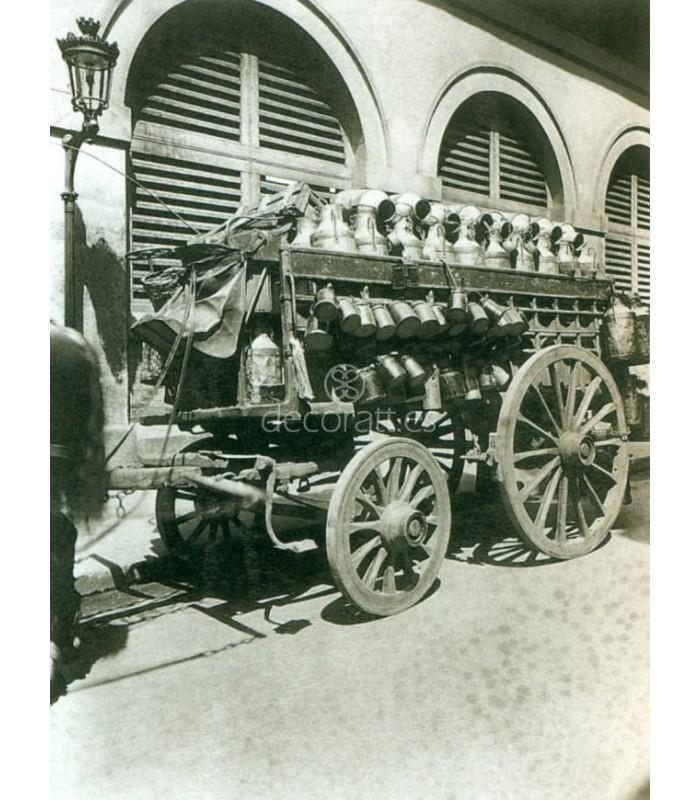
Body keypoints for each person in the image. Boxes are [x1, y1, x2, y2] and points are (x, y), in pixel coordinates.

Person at [50, 323, 106, 702]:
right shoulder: (70, 345)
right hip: (59, 453)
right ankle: (59, 628)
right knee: (54, 532)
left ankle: (53, 639)